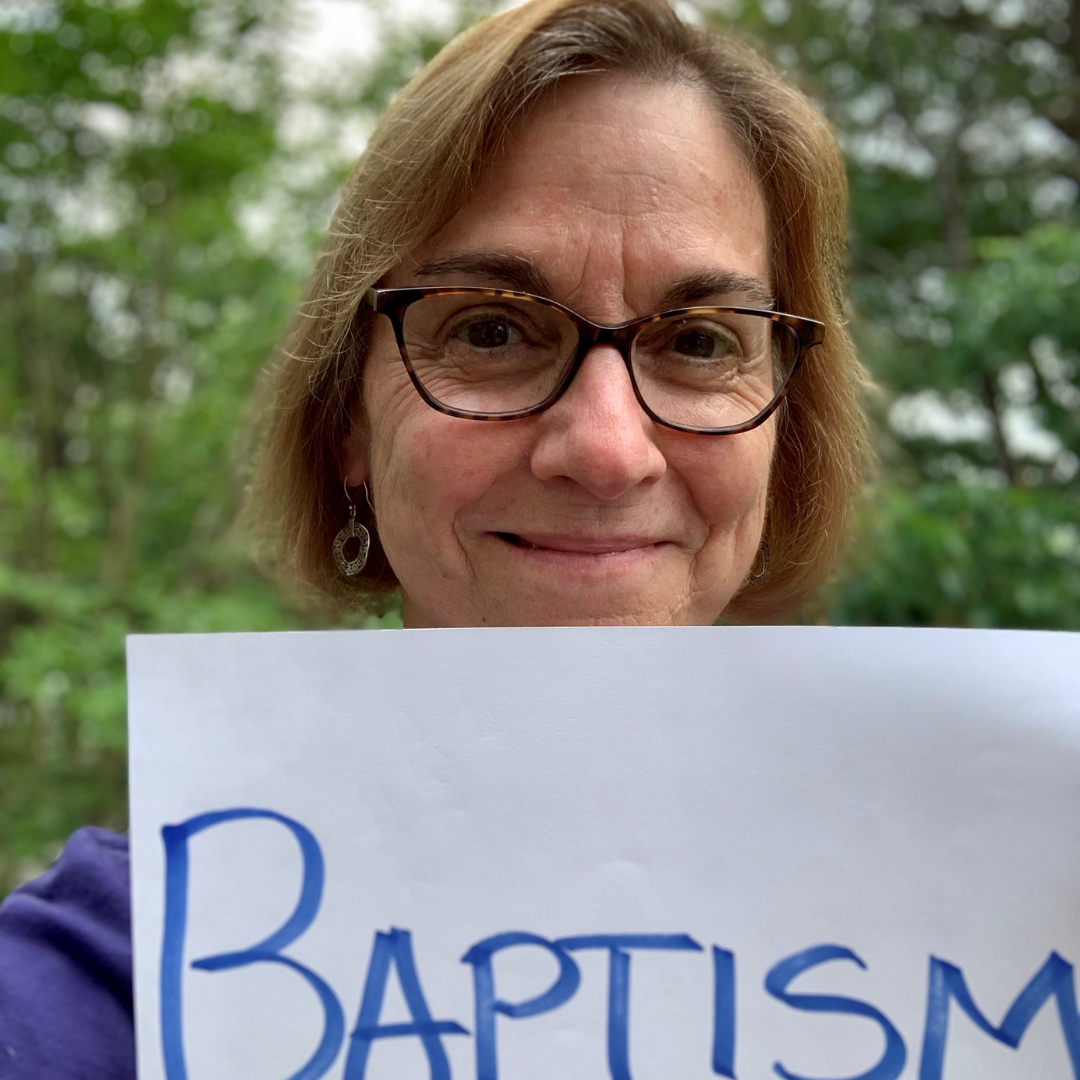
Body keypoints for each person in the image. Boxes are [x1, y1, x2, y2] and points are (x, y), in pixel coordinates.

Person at [0, 0, 866, 1074]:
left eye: (697, 341)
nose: (606, 449)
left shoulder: (988, 931)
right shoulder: (115, 982)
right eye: (491, 329)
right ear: (348, 425)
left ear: (787, 434)